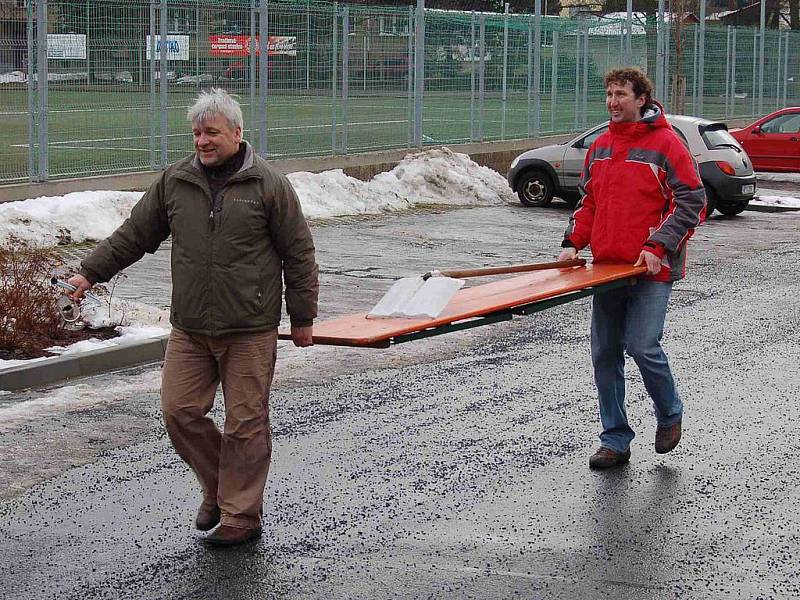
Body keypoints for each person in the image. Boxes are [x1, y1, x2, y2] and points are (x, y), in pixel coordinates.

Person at [67, 88, 319, 544]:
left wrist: (303, 317)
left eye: (212, 133)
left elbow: (298, 253)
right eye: (197, 133)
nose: (202, 141)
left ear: (238, 134)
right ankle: (222, 488)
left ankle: (241, 515)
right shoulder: (176, 181)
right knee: (179, 412)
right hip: (190, 327)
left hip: (250, 326)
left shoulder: (268, 185)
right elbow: (134, 234)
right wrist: (90, 272)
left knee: (245, 422)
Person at [557, 67, 705, 470]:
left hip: (650, 269)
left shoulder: (667, 145)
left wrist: (658, 245)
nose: (612, 101)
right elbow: (588, 202)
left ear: (642, 99)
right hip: (608, 269)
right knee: (605, 353)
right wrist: (574, 242)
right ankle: (615, 439)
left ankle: (669, 412)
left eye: (620, 93)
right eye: (608, 93)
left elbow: (692, 200)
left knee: (642, 345)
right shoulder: (601, 147)